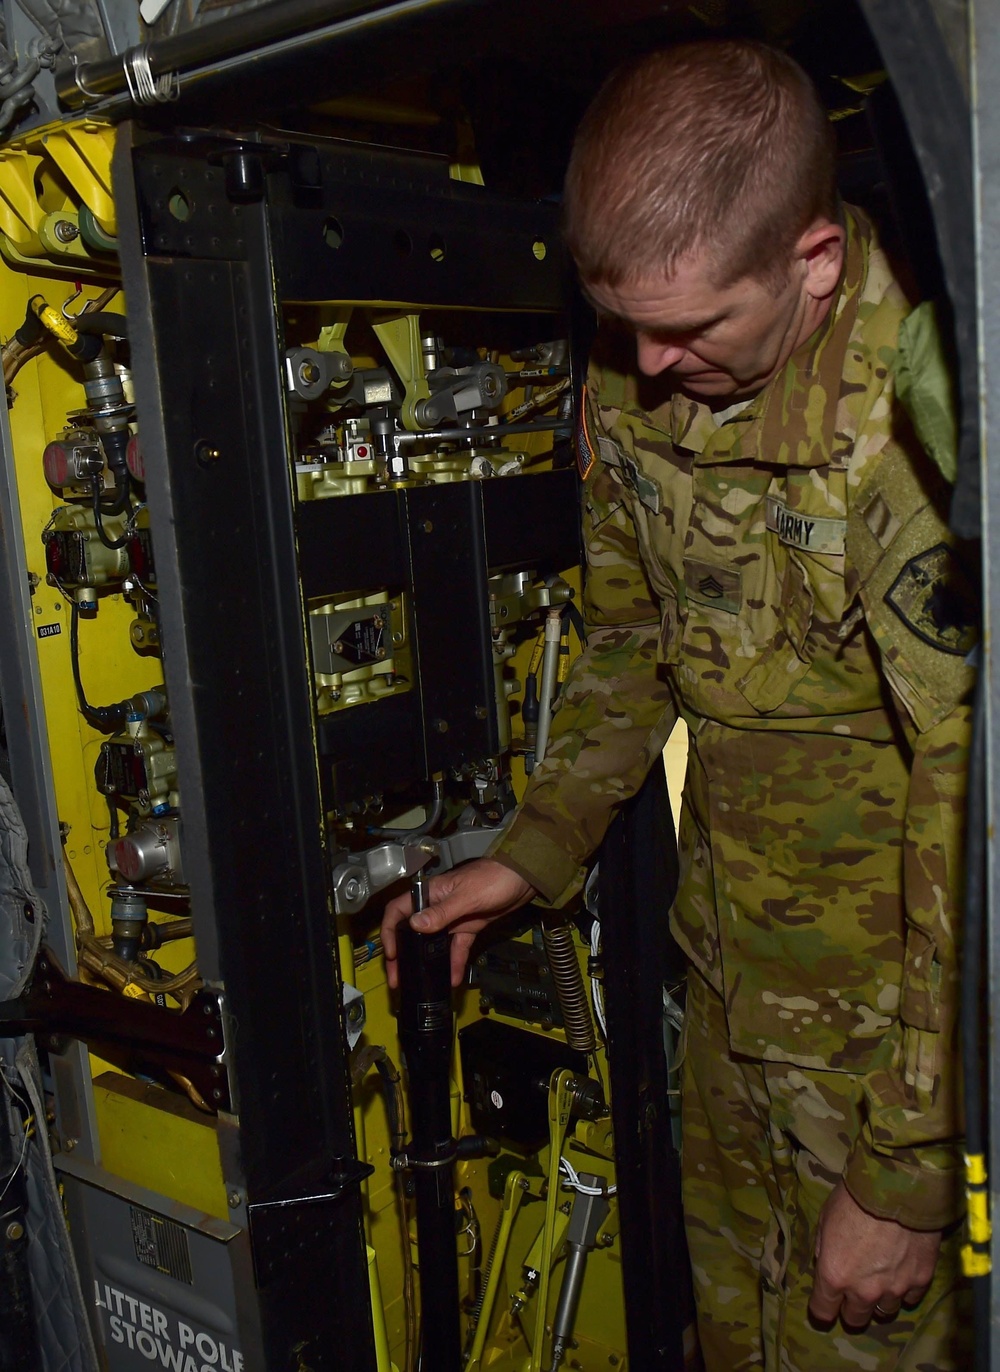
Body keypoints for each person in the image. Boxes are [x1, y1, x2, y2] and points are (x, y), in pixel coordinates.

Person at [382, 38, 974, 1370]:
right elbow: (633, 634)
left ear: (812, 264)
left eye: (690, 328)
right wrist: (534, 854)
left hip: (898, 1054)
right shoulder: (639, 369)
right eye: (625, 325)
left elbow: (977, 803)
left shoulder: (913, 442)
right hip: (727, 995)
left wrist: (905, 1170)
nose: (646, 366)